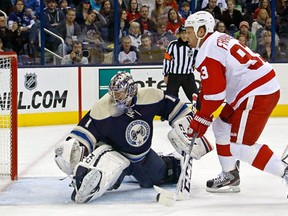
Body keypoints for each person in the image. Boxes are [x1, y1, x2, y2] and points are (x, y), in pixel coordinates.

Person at [54, 71, 213, 203]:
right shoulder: (102, 108)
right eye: (114, 93)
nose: (116, 97)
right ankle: (88, 179)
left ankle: (170, 162)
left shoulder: (150, 96)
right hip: (115, 155)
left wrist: (188, 126)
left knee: (159, 177)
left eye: (120, 93)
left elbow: (174, 108)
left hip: (143, 157)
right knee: (107, 177)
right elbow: (84, 133)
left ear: (131, 90)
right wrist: (75, 150)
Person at [182, 11, 288, 193]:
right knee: (221, 126)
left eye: (189, 31)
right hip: (251, 88)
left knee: (240, 147)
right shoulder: (217, 38)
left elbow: (216, 95)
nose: (186, 36)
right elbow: (213, 84)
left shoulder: (207, 52)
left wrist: (201, 118)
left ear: (201, 31)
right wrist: (202, 105)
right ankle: (230, 174)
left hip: (256, 92)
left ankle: (285, 172)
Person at [163, 25, 199, 109]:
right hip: (174, 76)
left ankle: (202, 113)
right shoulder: (173, 45)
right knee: (171, 98)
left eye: (186, 33)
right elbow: (167, 59)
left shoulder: (193, 45)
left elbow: (197, 57)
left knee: (195, 96)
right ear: (179, 34)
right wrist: (165, 74)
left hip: (188, 76)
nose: (184, 35)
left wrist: (194, 63)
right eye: (182, 33)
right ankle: (169, 114)